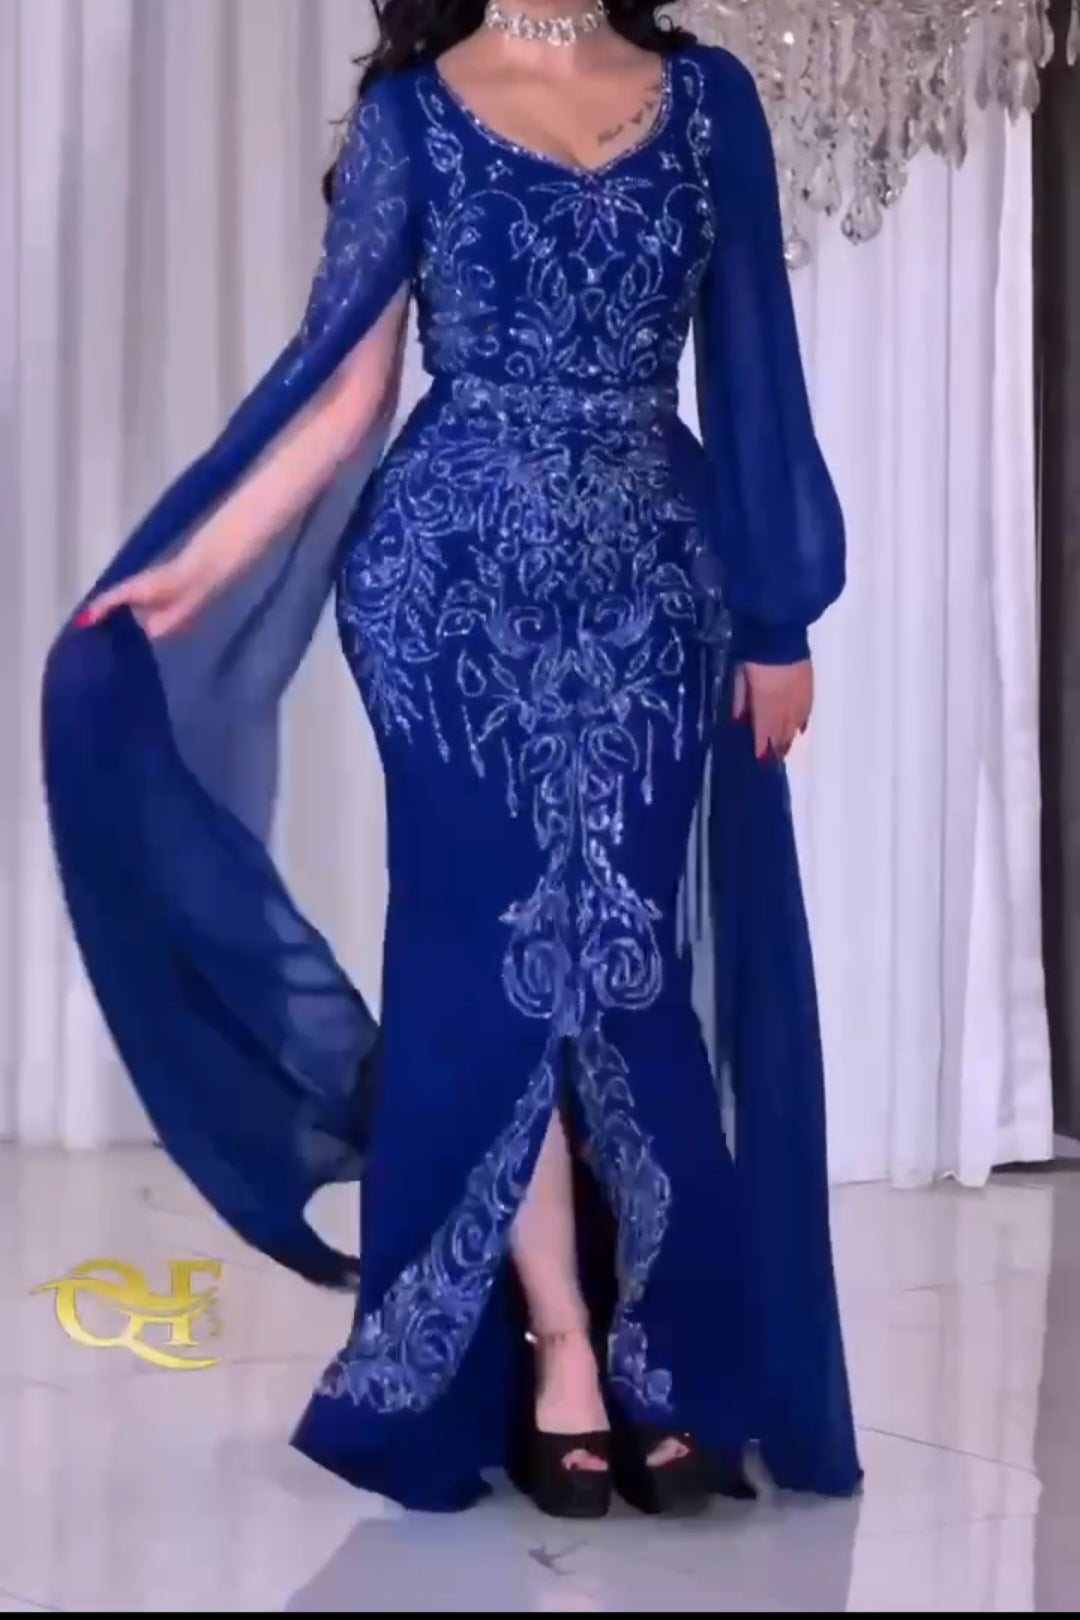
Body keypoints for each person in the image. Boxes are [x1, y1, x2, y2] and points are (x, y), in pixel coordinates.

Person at [43, 0, 861, 1518]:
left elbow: (755, 357)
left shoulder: (708, 102)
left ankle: (671, 1350)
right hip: (444, 591)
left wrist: (778, 613)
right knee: (491, 969)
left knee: (625, 967)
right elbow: (346, 387)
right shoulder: (412, 117)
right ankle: (561, 1352)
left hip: (655, 584)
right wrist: (190, 572)